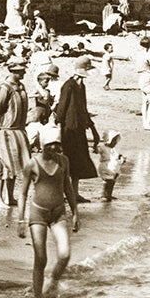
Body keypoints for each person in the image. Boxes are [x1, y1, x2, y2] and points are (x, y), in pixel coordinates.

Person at [17, 126, 79, 298]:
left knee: (65, 253)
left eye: (57, 145)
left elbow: (68, 187)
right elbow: (22, 193)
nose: (53, 149)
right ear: (43, 144)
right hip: (38, 213)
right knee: (41, 257)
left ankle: (52, 281)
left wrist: (75, 212)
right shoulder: (32, 164)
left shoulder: (64, 161)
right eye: (50, 145)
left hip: (59, 212)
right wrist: (21, 220)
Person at [53, 57, 99, 203]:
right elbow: (62, 107)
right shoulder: (69, 86)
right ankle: (65, 193)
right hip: (69, 130)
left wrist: (91, 125)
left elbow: (83, 108)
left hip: (78, 129)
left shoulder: (80, 86)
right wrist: (58, 124)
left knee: (77, 162)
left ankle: (74, 193)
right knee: (68, 162)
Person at [0, 64, 31, 208]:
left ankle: (10, 197)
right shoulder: (5, 87)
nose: (24, 72)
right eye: (22, 71)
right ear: (14, 71)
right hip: (5, 130)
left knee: (14, 164)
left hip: (18, 130)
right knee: (2, 165)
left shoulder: (21, 86)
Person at [95, 130, 125, 202]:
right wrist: (95, 148)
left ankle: (109, 194)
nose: (115, 143)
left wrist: (121, 158)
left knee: (112, 181)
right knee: (107, 181)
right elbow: (97, 150)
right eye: (113, 141)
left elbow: (117, 156)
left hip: (113, 168)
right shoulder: (103, 147)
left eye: (115, 141)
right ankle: (104, 194)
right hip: (105, 167)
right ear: (109, 140)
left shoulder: (113, 149)